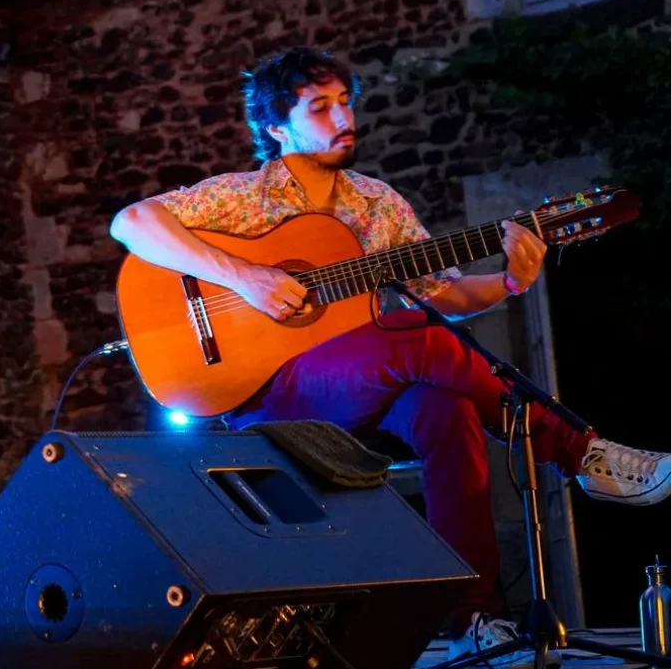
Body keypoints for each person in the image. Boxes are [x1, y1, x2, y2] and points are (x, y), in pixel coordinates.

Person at [111, 45, 671, 663]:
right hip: (269, 390)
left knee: (445, 408)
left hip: (366, 383)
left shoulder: (377, 204)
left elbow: (445, 293)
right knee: (411, 331)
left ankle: (474, 621)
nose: (341, 117)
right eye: (319, 107)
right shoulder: (244, 198)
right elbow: (132, 222)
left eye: (345, 102)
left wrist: (511, 282)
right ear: (276, 127)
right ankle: (578, 452)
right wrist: (246, 277)